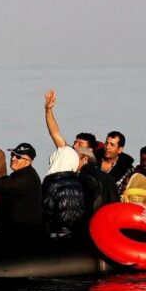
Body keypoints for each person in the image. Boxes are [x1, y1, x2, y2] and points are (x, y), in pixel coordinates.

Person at [42, 90, 89, 238]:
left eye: (80, 143)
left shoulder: (81, 161)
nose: (75, 144)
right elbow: (54, 132)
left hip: (57, 190)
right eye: (75, 142)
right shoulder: (68, 152)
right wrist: (49, 110)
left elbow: (54, 132)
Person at [0, 142, 43, 247]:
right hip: (13, 233)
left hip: (24, 237)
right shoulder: (17, 176)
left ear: (28, 161)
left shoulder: (28, 176)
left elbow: (0, 185)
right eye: (12, 155)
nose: (13, 158)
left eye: (18, 156)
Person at [100, 130, 135, 197]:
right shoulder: (93, 161)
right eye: (106, 143)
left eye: (112, 145)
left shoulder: (128, 169)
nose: (107, 147)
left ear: (120, 150)